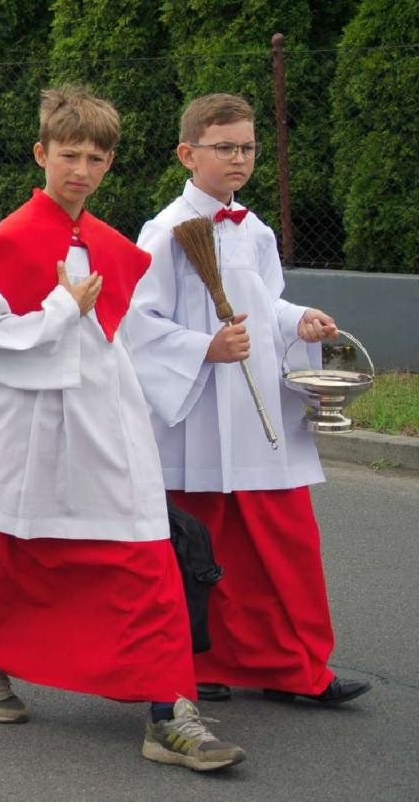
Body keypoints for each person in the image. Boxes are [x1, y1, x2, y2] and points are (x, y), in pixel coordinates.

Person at [0, 85, 245, 773]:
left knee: (144, 553)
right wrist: (62, 309)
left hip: (104, 424)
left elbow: (125, 337)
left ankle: (168, 710)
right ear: (41, 153)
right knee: (9, 553)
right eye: (67, 155)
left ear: (110, 162)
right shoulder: (2, 247)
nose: (79, 170)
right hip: (25, 429)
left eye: (94, 157)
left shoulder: (114, 247)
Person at [126, 93, 370, 707]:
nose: (239, 158)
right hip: (201, 416)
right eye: (225, 147)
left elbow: (267, 303)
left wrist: (298, 321)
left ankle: (293, 667)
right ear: (188, 154)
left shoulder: (254, 229)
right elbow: (136, 322)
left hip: (259, 412)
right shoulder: (165, 234)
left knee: (285, 546)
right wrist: (203, 348)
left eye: (248, 147)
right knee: (203, 547)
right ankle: (200, 660)